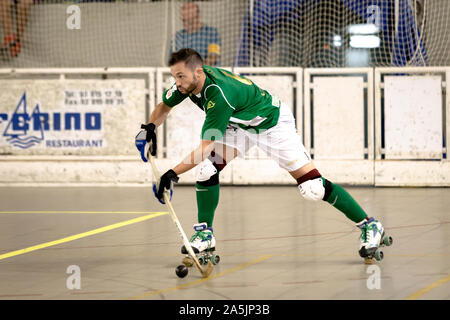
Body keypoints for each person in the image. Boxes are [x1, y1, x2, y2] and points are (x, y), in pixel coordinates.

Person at [140, 48, 387, 261]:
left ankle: (369, 225)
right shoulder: (188, 82)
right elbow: (164, 106)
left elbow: (205, 146)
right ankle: (204, 233)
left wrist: (171, 173)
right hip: (239, 125)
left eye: (180, 76)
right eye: (175, 77)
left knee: (313, 187)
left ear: (199, 72)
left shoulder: (219, 95)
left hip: (271, 125)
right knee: (207, 168)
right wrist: (150, 127)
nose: (177, 83)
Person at [169, 2, 221, 66]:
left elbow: (213, 57)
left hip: (207, 74)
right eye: (184, 20)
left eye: (190, 20)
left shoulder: (212, 33)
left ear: (198, 16)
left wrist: (197, 70)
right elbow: (172, 62)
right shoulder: (177, 37)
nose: (186, 23)